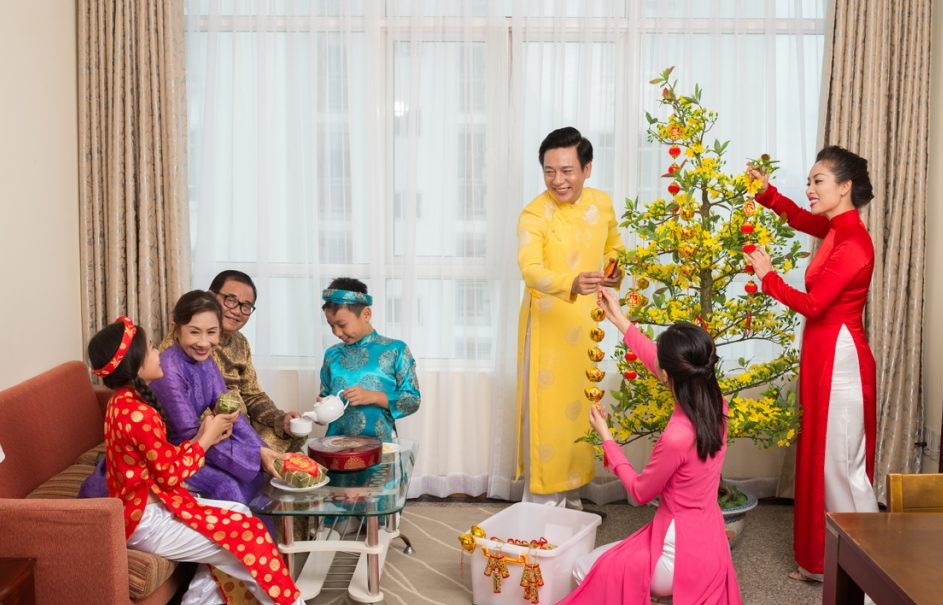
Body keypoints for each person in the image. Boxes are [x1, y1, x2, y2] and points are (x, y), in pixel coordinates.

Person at [87, 316, 304, 605]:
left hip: (151, 507)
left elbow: (162, 461)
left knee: (240, 513)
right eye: (151, 348)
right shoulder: (139, 414)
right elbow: (170, 475)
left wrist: (204, 434)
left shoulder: (122, 402)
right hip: (145, 520)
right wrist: (206, 438)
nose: (158, 352)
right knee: (247, 540)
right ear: (137, 364)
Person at [745, 145, 878, 582]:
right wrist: (767, 194)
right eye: (809, 181)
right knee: (823, 460)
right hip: (824, 354)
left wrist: (768, 277)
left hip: (841, 360)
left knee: (841, 466)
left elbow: (815, 304)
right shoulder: (836, 229)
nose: (810, 189)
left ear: (845, 187)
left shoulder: (854, 242)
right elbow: (802, 218)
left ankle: (869, 570)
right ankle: (824, 563)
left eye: (818, 181)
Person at [559, 288, 741, 604]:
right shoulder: (716, 403)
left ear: (667, 375)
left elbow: (641, 492)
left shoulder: (677, 436)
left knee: (582, 569)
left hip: (676, 553)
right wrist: (619, 318)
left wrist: (607, 439)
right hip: (710, 542)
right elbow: (658, 360)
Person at [515, 126, 624, 508]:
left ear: (586, 169)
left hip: (587, 325)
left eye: (567, 171)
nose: (558, 180)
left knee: (582, 409)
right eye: (549, 171)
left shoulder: (602, 204)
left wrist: (613, 271)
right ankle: (542, 502)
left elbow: (615, 248)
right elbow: (530, 270)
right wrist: (571, 282)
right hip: (547, 327)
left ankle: (571, 498)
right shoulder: (534, 213)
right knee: (548, 416)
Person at [151, 290, 285, 505]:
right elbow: (189, 433)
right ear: (176, 328)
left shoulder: (206, 361)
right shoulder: (168, 368)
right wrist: (255, 457)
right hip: (172, 454)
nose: (204, 343)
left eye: (212, 332)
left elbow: (230, 411)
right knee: (229, 486)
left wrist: (262, 450)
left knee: (255, 477)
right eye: (194, 332)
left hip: (201, 443)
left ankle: (261, 529)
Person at [204, 270, 303, 453]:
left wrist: (281, 419)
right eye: (230, 300)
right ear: (210, 296)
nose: (237, 311)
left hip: (243, 426)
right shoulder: (191, 338)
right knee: (267, 452)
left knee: (291, 432)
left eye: (246, 306)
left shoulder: (241, 342)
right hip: (209, 429)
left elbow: (252, 396)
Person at [318, 277, 420, 441]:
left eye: (342, 324)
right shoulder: (332, 354)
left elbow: (412, 401)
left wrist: (373, 397)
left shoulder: (396, 350)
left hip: (381, 446)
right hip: (336, 446)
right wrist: (321, 409)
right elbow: (324, 396)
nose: (336, 332)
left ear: (366, 314)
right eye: (331, 325)